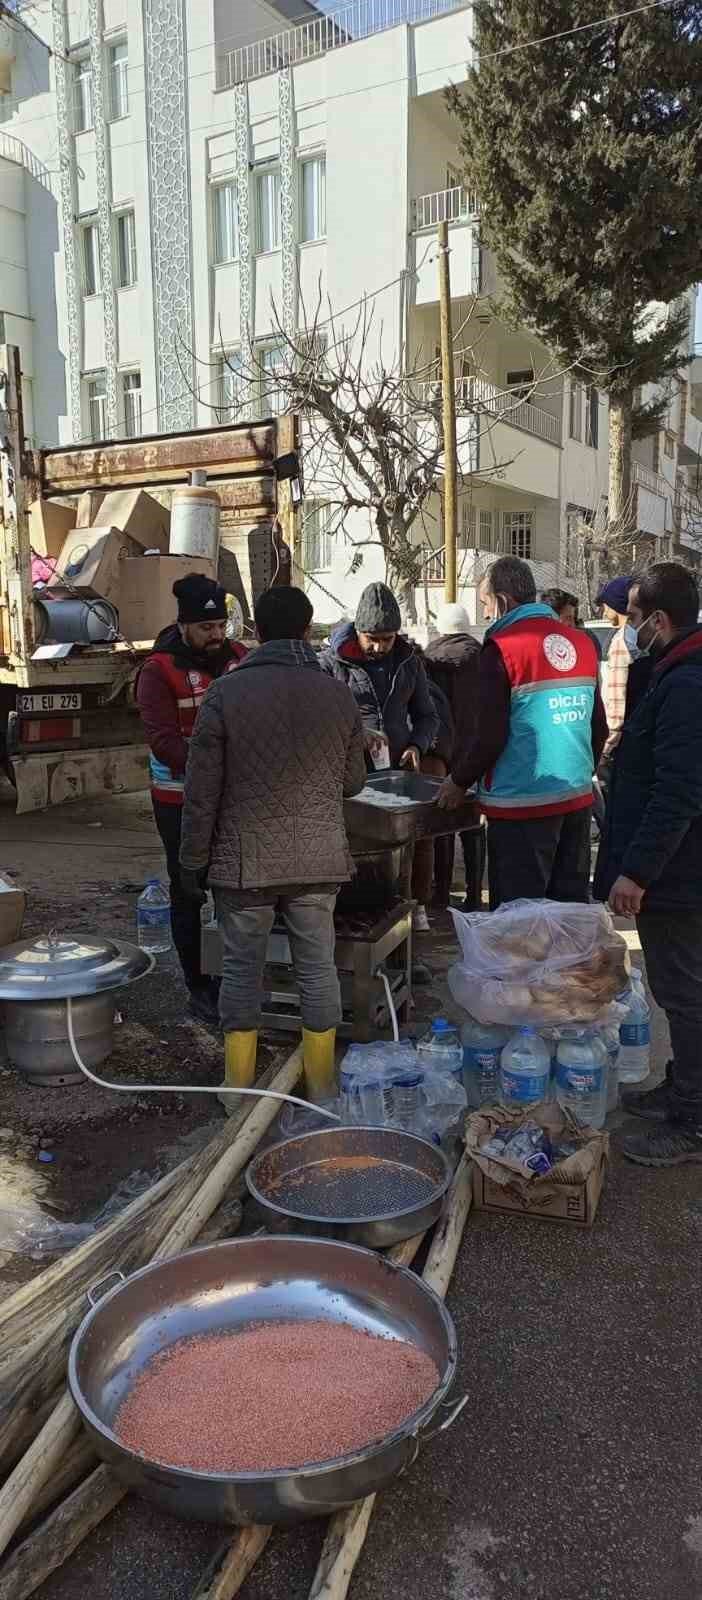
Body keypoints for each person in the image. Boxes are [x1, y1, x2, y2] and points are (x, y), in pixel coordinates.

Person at [179, 586, 366, 1106]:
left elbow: (201, 792)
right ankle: (322, 1084)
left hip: (245, 863)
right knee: (317, 968)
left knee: (242, 970)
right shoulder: (338, 692)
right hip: (318, 857)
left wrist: (192, 861)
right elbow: (352, 783)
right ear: (307, 631)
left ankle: (237, 1089)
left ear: (256, 632)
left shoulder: (224, 692)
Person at [594, 562, 702, 1168]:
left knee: (685, 993)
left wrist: (637, 871)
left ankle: (695, 1117)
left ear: (659, 620)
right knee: (676, 988)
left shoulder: (687, 683)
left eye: (633, 618)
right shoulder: (670, 671)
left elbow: (680, 791)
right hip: (677, 867)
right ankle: (683, 1087)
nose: (627, 630)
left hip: (680, 872)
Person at [437, 556, 606, 907]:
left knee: (520, 922)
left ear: (502, 600)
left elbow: (489, 735)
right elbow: (597, 725)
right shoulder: (582, 643)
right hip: (575, 800)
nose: (485, 615)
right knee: (569, 913)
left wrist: (459, 780)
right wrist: (579, 771)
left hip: (521, 807)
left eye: (485, 603)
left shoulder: (502, 649)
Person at [136, 574, 247, 1024]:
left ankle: (230, 978)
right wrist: (209, 773)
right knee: (188, 888)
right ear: (184, 626)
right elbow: (162, 739)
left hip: (232, 800)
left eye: (221, 625)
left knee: (232, 889)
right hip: (178, 801)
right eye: (206, 628)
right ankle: (197, 985)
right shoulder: (158, 670)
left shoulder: (239, 659)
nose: (216, 635)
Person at [319, 582, 438, 929]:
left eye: (387, 639)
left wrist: (418, 745)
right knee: (357, 845)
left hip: (398, 772)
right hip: (351, 775)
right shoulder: (330, 664)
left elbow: (428, 715)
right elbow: (322, 719)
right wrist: (356, 736)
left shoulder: (409, 663)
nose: (379, 646)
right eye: (372, 638)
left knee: (405, 845)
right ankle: (354, 914)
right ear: (357, 631)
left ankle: (409, 906)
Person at [424, 602, 483, 910]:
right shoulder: (484, 656)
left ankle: (441, 892)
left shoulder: (428, 659)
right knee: (474, 823)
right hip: (477, 750)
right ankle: (475, 893)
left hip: (443, 751)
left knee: (443, 824)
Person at [596, 574, 634, 770]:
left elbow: (617, 704)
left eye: (606, 605)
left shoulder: (621, 641)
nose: (603, 611)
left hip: (619, 747)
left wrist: (605, 749)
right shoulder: (638, 637)